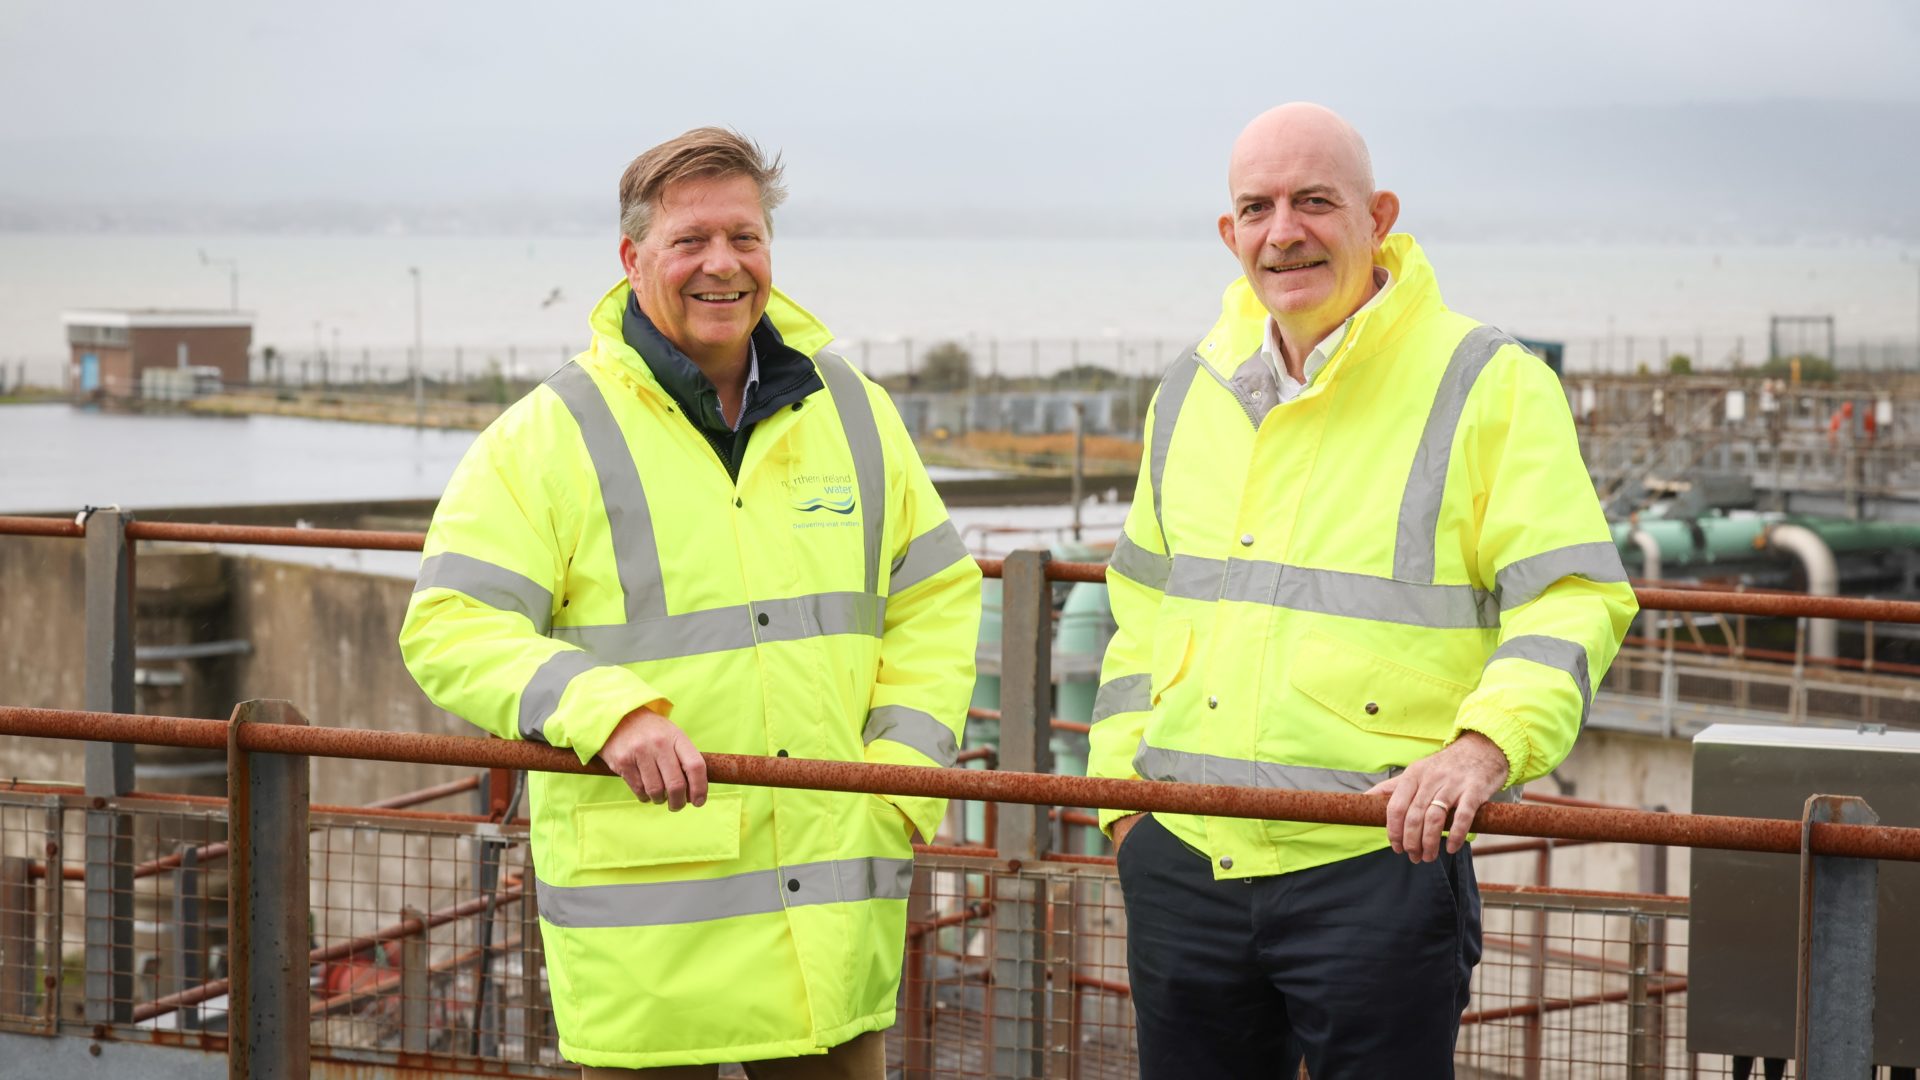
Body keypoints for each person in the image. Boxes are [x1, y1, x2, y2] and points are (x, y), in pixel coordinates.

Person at [398, 128, 981, 1077]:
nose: (725, 265)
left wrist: (902, 778)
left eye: (745, 238)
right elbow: (450, 624)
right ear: (634, 259)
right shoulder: (548, 436)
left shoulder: (856, 410)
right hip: (652, 947)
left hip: (830, 926)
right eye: (692, 240)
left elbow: (936, 597)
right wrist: (610, 711)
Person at [1088, 103, 1637, 1077]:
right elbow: (1140, 602)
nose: (1283, 231)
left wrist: (1484, 746)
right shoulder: (1190, 390)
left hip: (1376, 861)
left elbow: (1574, 595)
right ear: (1229, 233)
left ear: (1378, 216)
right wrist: (1122, 802)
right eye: (1256, 207)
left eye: (1315, 201)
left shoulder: (1486, 382)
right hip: (1183, 859)